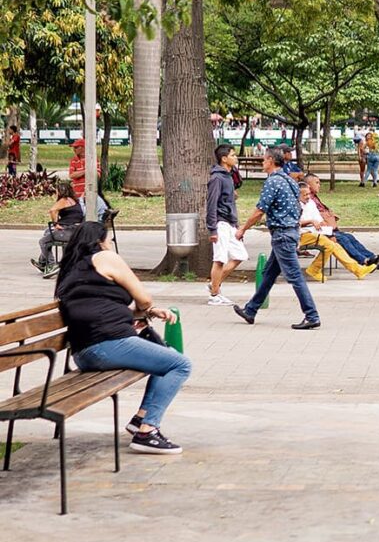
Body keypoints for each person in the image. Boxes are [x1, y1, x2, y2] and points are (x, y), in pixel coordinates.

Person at [56, 222, 191, 454]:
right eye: (108, 240)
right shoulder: (106, 258)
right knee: (179, 364)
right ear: (99, 241)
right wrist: (148, 307)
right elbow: (144, 298)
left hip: (83, 353)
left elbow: (99, 308)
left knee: (168, 357)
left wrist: (147, 313)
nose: (110, 244)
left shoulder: (71, 269)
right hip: (106, 345)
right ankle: (147, 431)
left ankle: (140, 419)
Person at [232, 147, 321, 330]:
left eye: (264, 160)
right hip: (289, 232)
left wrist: (243, 229)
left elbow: (260, 210)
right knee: (269, 274)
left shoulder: (273, 182)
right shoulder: (289, 180)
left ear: (271, 160)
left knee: (295, 276)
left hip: (282, 234)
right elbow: (298, 207)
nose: (262, 163)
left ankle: (311, 315)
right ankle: (251, 310)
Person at [303, 174, 379, 269]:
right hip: (316, 232)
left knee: (349, 236)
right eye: (316, 183)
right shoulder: (307, 199)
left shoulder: (313, 198)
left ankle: (373, 258)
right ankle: (365, 261)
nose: (319, 185)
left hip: (326, 229)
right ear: (308, 185)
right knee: (343, 239)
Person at [297, 182, 377, 281]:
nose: (308, 197)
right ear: (297, 194)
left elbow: (319, 219)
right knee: (330, 244)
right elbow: (295, 223)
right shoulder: (295, 204)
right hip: (302, 234)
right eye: (305, 195)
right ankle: (314, 269)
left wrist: (325, 227)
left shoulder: (311, 203)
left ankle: (358, 270)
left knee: (335, 245)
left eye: (309, 194)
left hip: (316, 232)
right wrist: (311, 221)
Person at [206, 144, 247, 306]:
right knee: (220, 259)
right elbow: (211, 203)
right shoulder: (217, 178)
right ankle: (215, 294)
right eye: (233, 155)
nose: (235, 158)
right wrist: (212, 229)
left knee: (240, 255)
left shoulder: (228, 176)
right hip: (221, 223)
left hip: (230, 222)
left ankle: (214, 284)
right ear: (224, 158)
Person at [31, 181, 84, 277]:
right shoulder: (73, 200)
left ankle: (51, 265)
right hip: (76, 230)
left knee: (43, 242)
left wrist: (55, 224)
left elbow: (52, 210)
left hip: (68, 231)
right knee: (47, 232)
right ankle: (42, 262)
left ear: (60, 191)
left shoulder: (64, 200)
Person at [67, 138, 107, 218]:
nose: (74, 150)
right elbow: (71, 175)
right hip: (77, 194)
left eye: (76, 147)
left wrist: (79, 173)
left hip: (90, 193)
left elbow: (97, 175)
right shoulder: (73, 160)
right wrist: (86, 171)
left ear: (82, 148)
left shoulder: (93, 159)